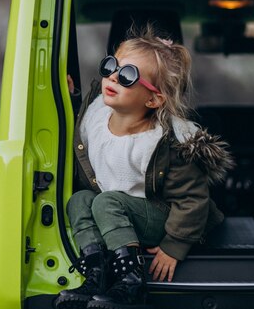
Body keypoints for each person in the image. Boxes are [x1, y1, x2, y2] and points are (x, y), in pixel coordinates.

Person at [54, 24, 234, 309]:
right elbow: (73, 124)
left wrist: (173, 246)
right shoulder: (96, 113)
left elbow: (193, 200)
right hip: (115, 209)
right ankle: (96, 272)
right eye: (111, 65)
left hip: (160, 215)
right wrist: (69, 97)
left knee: (105, 203)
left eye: (127, 76)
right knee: (79, 201)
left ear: (153, 99)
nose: (113, 76)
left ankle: (130, 281)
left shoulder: (166, 143)